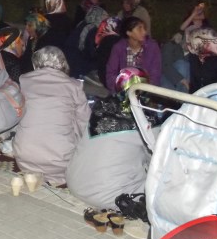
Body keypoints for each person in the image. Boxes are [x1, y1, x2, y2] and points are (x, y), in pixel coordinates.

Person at [65, 67, 153, 210]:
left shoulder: (99, 108)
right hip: (112, 197)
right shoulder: (145, 120)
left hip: (75, 184)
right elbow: (158, 161)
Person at [12, 47, 90, 187]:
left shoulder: (24, 80)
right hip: (61, 161)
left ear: (36, 63)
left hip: (25, 157)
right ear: (63, 63)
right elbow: (84, 123)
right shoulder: (74, 86)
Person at [105, 17, 161, 94]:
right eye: (139, 29)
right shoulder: (118, 48)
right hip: (123, 91)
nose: (144, 32)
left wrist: (143, 91)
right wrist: (121, 88)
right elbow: (110, 73)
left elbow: (155, 75)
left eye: (144, 28)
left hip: (146, 92)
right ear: (129, 33)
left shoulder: (152, 47)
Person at [186, 27, 217, 93]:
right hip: (196, 96)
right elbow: (193, 83)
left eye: (193, 41)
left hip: (215, 96)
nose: (190, 45)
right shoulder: (194, 56)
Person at [20, 11, 50, 75]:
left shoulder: (46, 41)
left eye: (30, 25)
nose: (26, 28)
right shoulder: (32, 39)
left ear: (38, 26)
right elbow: (26, 57)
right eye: (26, 25)